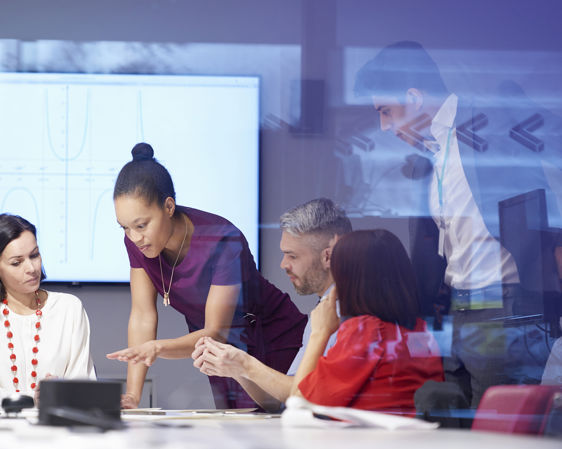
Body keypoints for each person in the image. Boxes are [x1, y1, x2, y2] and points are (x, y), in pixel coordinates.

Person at [354, 40, 552, 408]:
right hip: (459, 311)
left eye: (386, 111)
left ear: (413, 97)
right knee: (455, 424)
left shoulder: (491, 128)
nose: (384, 126)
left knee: (493, 430)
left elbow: (541, 212)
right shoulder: (431, 154)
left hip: (501, 306)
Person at [107, 142, 307, 409]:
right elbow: (143, 315)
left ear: (168, 206)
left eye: (141, 225)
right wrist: (133, 395)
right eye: (124, 228)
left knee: (284, 423)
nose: (134, 237)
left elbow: (216, 331)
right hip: (217, 350)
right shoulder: (137, 242)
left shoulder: (221, 238)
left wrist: (156, 348)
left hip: (270, 337)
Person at [191, 198, 351, 412]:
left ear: (327, 256)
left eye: (292, 256)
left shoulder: (346, 314)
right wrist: (237, 368)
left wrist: (245, 364)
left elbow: (300, 396)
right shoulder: (322, 313)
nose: (283, 264)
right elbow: (283, 401)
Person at [290, 229, 444, 414]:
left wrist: (319, 333)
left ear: (349, 282)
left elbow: (298, 403)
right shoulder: (420, 331)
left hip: (365, 440)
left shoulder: (365, 332)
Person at [0, 214, 95, 405]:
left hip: (56, 428)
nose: (31, 268)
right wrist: (28, 400)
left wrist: (60, 393)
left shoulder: (69, 309)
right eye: (16, 262)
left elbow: (83, 385)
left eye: (34, 255)